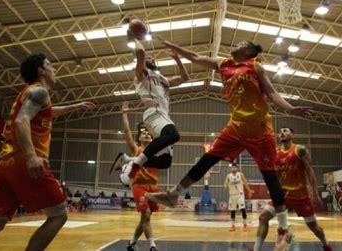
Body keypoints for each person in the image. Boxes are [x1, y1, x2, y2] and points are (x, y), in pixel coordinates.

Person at [147, 38, 311, 245]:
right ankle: (174, 195)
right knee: (206, 159)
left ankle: (284, 229)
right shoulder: (222, 63)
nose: (235, 45)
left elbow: (272, 93)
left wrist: (290, 109)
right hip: (236, 127)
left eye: (241, 44)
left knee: (270, 176)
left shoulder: (255, 66)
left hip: (259, 129)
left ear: (248, 51)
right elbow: (196, 57)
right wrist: (175, 47)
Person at [0, 53, 95, 250]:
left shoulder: (31, 93)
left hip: (6, 163)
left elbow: (47, 111)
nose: (54, 70)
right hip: (25, 162)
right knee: (59, 215)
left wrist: (75, 106)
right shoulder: (40, 91)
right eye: (50, 66)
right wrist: (31, 157)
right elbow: (22, 121)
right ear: (41, 71)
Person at [254, 127, 332, 251]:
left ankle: (326, 245)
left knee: (314, 227)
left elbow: (310, 171)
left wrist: (315, 194)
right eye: (280, 132)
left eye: (285, 131)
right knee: (263, 217)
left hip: (300, 195)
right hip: (282, 195)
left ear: (293, 135)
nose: (282, 133)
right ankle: (256, 249)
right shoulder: (276, 152)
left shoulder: (300, 150)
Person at [127, 28, 189, 180]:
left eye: (154, 59)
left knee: (165, 162)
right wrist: (134, 37)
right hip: (154, 112)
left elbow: (185, 77)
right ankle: (138, 162)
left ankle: (129, 161)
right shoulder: (142, 75)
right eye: (150, 59)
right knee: (174, 135)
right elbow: (141, 54)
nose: (152, 59)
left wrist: (177, 59)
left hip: (162, 116)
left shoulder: (163, 79)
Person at [112, 101, 159, 251]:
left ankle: (132, 242)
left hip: (153, 186)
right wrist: (125, 114)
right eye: (143, 133)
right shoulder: (137, 150)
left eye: (148, 133)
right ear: (139, 139)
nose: (146, 134)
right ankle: (152, 245)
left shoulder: (156, 151)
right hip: (139, 186)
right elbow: (127, 133)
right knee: (145, 214)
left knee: (145, 218)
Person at [224, 163, 252, 232]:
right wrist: (226, 185)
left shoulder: (241, 174)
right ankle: (233, 226)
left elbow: (245, 183)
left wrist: (249, 191)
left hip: (240, 194)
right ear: (231, 169)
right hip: (232, 195)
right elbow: (225, 185)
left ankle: (245, 225)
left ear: (237, 168)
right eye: (232, 167)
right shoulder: (228, 176)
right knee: (232, 211)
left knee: (242, 209)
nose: (233, 168)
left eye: (235, 167)